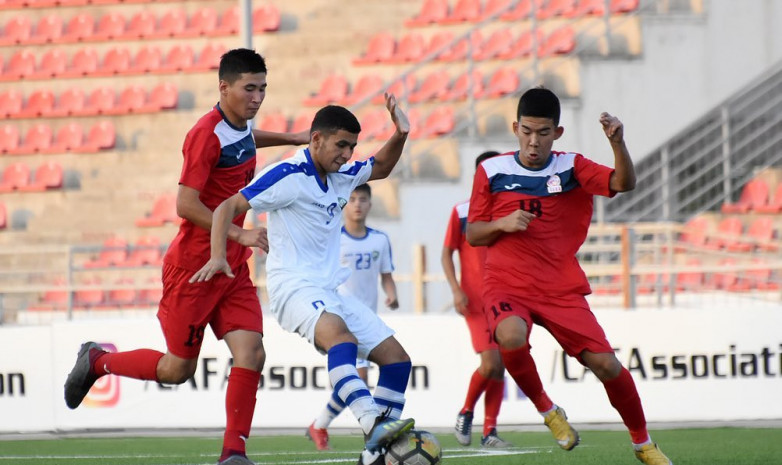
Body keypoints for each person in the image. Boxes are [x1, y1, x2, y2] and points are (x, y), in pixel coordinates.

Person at [64, 48, 309, 465]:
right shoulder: (204, 134)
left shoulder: (239, 126)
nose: (257, 97)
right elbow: (185, 204)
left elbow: (248, 140)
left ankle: (234, 453)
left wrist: (291, 139)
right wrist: (239, 232)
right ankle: (98, 360)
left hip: (231, 268)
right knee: (177, 371)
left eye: (263, 88)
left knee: (252, 353)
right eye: (249, 88)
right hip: (194, 270)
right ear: (224, 88)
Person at [190, 98, 414, 465]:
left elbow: (383, 166)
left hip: (329, 289)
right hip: (293, 288)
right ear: (315, 140)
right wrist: (221, 252)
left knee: (397, 361)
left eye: (352, 146)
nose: (347, 153)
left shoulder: (342, 174)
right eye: (340, 144)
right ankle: (374, 425)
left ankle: (376, 456)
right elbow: (226, 207)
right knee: (341, 338)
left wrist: (401, 133)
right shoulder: (288, 175)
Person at [466, 87, 673, 465]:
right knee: (510, 336)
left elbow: (623, 184)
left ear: (557, 133)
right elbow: (474, 233)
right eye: (526, 131)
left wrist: (618, 144)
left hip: (560, 287)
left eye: (543, 133)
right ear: (515, 127)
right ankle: (549, 411)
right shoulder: (491, 171)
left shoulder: (571, 167)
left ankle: (643, 443)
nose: (533, 142)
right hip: (507, 281)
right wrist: (503, 223)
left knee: (607, 365)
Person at [306, 182, 399, 451]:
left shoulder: (379, 240)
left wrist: (392, 295)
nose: (357, 204)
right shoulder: (335, 239)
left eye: (363, 199)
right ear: (346, 204)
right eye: (353, 199)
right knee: (358, 377)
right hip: (341, 318)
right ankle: (372, 436)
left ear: (370, 204)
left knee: (354, 379)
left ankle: (320, 425)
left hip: (367, 320)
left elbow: (387, 277)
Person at [442, 150, 511, 449]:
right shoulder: (462, 212)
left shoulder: (510, 211)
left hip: (506, 299)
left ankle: (490, 431)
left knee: (502, 364)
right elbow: (447, 252)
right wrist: (456, 289)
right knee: (491, 363)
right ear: (477, 177)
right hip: (475, 301)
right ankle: (466, 411)